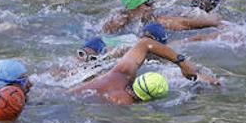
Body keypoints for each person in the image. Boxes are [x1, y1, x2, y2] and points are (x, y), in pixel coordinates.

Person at [72, 37, 218, 105]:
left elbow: (145, 43)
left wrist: (183, 64)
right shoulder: (123, 102)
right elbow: (145, 43)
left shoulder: (121, 75)